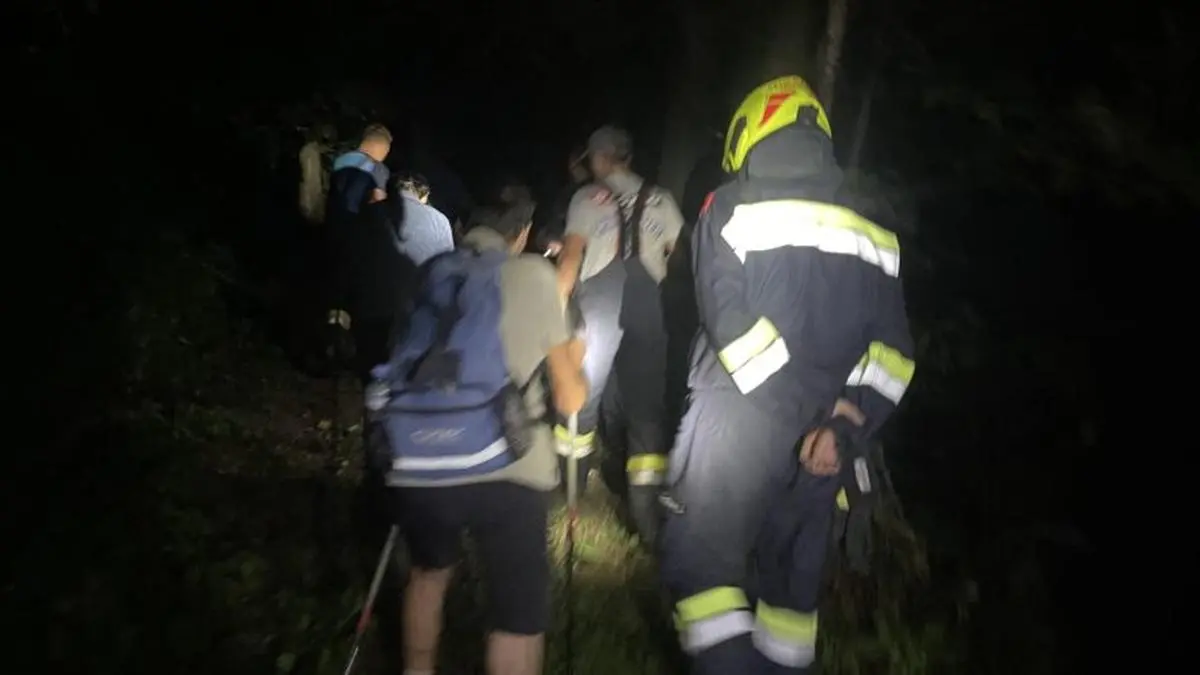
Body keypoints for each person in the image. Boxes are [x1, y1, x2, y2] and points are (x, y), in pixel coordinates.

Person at [659, 75, 917, 675]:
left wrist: (792, 407)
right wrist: (841, 424)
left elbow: (728, 322)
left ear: (750, 132)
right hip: (827, 446)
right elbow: (895, 356)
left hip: (740, 427)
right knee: (790, 602)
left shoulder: (728, 205)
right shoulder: (877, 233)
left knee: (700, 576)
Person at [370, 200, 588, 675]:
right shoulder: (533, 276)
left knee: (427, 576)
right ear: (523, 232)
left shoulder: (427, 273)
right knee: (516, 614)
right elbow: (570, 398)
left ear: (463, 228)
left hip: (419, 457)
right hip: (508, 466)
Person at [554, 126, 684, 534]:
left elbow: (571, 257)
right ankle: (647, 520)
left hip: (601, 302)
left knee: (581, 394)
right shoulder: (662, 199)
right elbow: (679, 256)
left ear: (600, 158)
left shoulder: (586, 199)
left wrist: (557, 312)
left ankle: (571, 494)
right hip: (649, 304)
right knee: (646, 410)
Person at [326, 124, 401, 384]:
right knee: (356, 297)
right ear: (383, 148)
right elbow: (377, 207)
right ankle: (348, 355)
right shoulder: (377, 170)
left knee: (334, 291)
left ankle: (329, 342)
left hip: (331, 232)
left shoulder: (340, 161)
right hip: (360, 237)